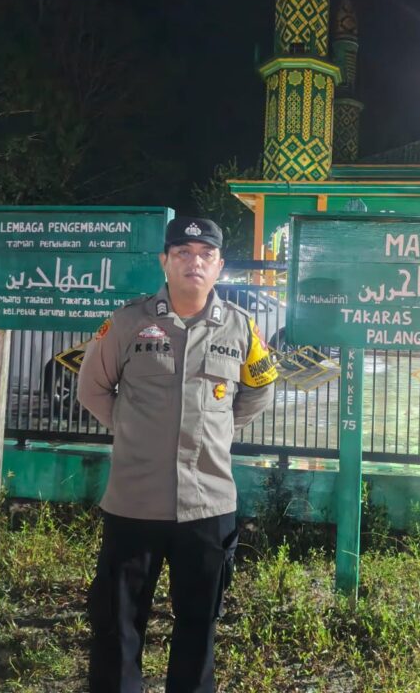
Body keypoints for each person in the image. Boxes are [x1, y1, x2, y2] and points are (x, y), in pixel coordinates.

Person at [78, 215, 278, 693]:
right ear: (164, 261)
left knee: (198, 625)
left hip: (208, 505)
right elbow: (92, 389)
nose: (195, 262)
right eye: (183, 253)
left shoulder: (242, 328)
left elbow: (260, 390)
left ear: (220, 266)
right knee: (118, 624)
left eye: (206, 255)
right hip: (135, 503)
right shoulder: (128, 322)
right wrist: (134, 431)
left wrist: (218, 430)